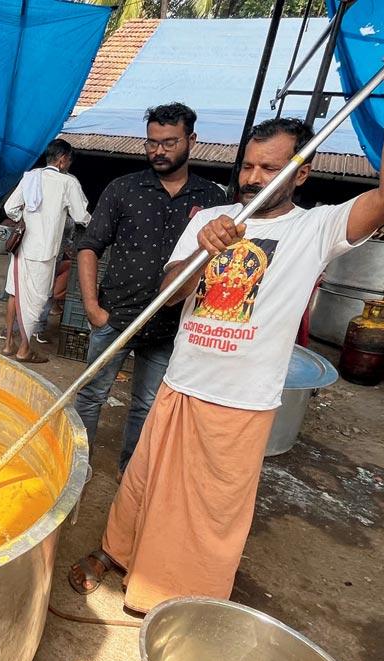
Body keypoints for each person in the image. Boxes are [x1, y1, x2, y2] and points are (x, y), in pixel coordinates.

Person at [69, 22, 384, 611]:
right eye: (249, 167)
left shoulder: (316, 229)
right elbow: (169, 292)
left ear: (302, 172)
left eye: (271, 169)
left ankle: (170, 594)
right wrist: (200, 251)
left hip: (240, 401)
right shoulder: (210, 219)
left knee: (208, 508)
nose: (254, 179)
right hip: (182, 382)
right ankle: (117, 551)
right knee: (144, 482)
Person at [73, 103, 227, 476]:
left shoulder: (212, 200)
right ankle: (74, 466)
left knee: (146, 404)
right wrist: (93, 308)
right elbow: (89, 246)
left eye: (169, 142)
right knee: (91, 396)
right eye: (152, 143)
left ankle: (131, 474)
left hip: (169, 326)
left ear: (192, 140)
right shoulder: (123, 189)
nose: (158, 150)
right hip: (115, 317)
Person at [0, 139, 91, 363]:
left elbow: (10, 208)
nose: (69, 164)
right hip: (44, 252)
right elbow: (81, 216)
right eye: (69, 160)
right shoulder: (67, 183)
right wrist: (97, 225)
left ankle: (7, 344)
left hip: (21, 248)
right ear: (61, 160)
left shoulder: (30, 177)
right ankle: (24, 349)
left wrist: (25, 220)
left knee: (15, 292)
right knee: (36, 300)